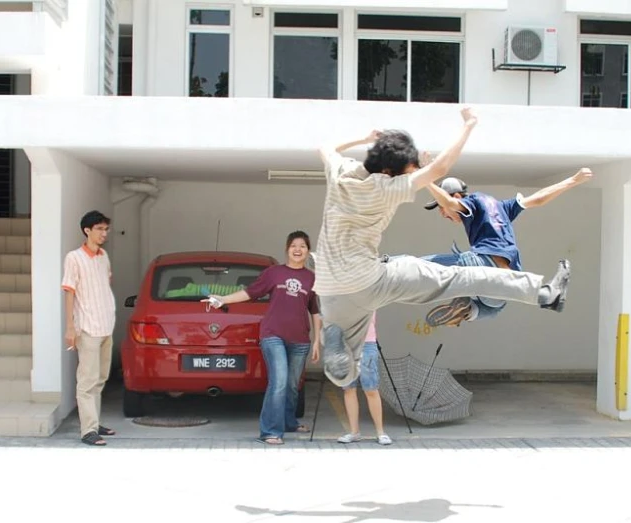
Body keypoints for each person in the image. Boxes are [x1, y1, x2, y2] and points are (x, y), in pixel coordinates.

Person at [313, 106, 571, 387]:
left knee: (346, 368)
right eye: (404, 173)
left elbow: (325, 146)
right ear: (389, 172)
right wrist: (468, 125)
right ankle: (545, 294)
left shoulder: (340, 172)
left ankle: (335, 339)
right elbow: (441, 168)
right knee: (460, 277)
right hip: (368, 280)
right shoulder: (387, 188)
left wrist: (363, 139)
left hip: (328, 286)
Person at [420, 167, 593, 327]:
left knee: (419, 265)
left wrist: (426, 178)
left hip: (482, 264)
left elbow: (449, 203)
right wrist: (573, 180)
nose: (442, 213)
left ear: (457, 197)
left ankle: (392, 265)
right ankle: (468, 309)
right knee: (492, 308)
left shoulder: (470, 203)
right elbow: (539, 199)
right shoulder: (501, 206)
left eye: (440, 208)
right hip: (504, 283)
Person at [207, 231, 322, 445]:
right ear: (287, 249)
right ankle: (270, 431)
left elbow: (315, 311)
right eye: (293, 245)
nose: (298, 250)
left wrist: (317, 340)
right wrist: (223, 300)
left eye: (303, 246)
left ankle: (289, 422)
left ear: (308, 251)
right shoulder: (274, 273)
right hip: (273, 335)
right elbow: (250, 292)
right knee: (278, 382)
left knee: (291, 384)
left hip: (300, 340)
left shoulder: (311, 278)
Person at [61, 210, 117, 446]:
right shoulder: (74, 258)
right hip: (88, 327)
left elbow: (105, 284)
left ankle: (94, 421)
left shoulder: (103, 256)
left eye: (106, 229)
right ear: (87, 230)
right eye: (100, 229)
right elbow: (69, 291)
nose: (104, 233)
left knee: (101, 378)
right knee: (87, 380)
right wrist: (70, 328)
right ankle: (88, 431)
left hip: (106, 326)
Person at [337, 312, 392, 446]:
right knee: (349, 389)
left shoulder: (368, 293)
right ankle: (354, 432)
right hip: (346, 344)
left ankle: (380, 432)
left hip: (367, 343)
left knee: (371, 389)